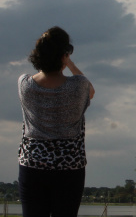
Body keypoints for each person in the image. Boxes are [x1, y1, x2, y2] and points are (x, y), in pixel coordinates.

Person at [17, 26, 95, 217]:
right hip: (69, 166)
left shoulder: (24, 84)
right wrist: (69, 63)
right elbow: (91, 91)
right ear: (64, 55)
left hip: (33, 163)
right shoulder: (78, 86)